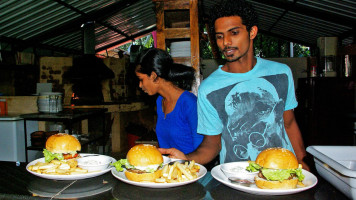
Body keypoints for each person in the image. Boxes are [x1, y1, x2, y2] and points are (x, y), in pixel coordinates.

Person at [159, 0, 310, 170]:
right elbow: (212, 144)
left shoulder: (281, 73)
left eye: (234, 33)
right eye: (220, 36)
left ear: (252, 32)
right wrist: (186, 159)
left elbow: (289, 123)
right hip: (237, 178)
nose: (226, 42)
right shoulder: (209, 89)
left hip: (283, 171)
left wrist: (302, 159)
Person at [135, 48, 203, 154]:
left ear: (153, 76)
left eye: (141, 79)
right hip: (167, 167)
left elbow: (201, 150)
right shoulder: (160, 101)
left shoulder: (189, 103)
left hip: (189, 168)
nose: (140, 85)